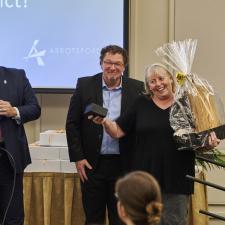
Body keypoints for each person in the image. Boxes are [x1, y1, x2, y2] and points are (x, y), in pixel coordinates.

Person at [91, 63, 220, 225]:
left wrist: (209, 143)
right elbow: (117, 130)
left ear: (171, 79)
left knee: (174, 222)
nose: (158, 84)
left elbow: (199, 141)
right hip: (146, 182)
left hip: (177, 180)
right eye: (152, 81)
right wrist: (104, 121)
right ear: (148, 86)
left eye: (161, 78)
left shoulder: (186, 104)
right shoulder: (141, 103)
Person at [66, 45, 144, 225]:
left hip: (123, 165)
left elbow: (141, 127)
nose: (112, 67)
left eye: (118, 63)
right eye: (108, 62)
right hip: (92, 165)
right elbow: (72, 124)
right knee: (93, 218)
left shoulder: (137, 88)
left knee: (121, 219)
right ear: (101, 63)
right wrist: (78, 157)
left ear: (124, 66)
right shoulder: (85, 85)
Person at [0, 66, 41, 225]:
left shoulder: (16, 76)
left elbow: (35, 109)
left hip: (9, 158)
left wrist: (14, 111)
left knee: (12, 216)